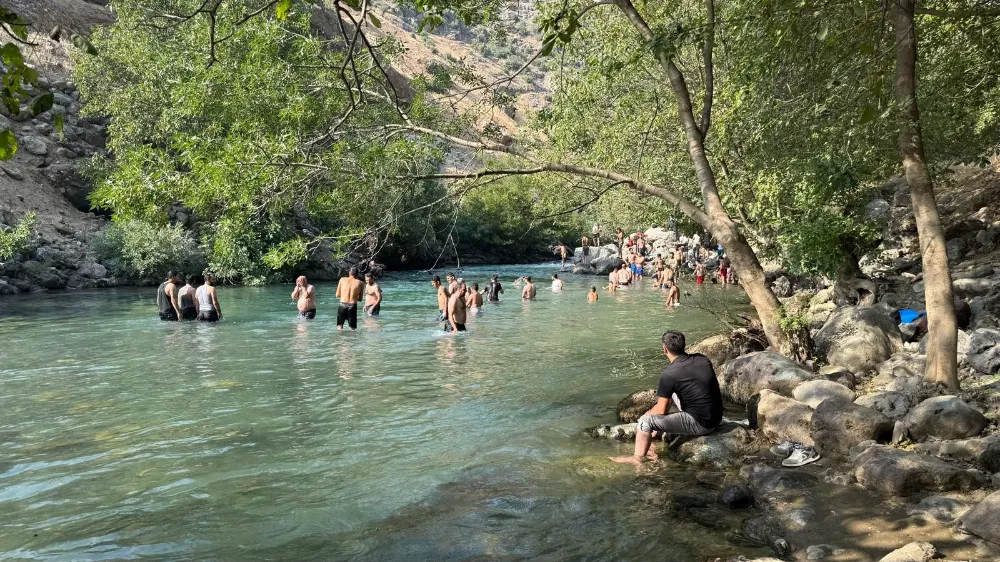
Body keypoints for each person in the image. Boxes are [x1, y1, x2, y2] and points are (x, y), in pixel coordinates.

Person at [612, 331, 723, 465]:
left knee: (644, 421)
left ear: (664, 349)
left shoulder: (670, 374)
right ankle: (655, 431)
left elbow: (661, 409)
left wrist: (647, 416)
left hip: (702, 424)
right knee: (673, 391)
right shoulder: (702, 359)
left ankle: (637, 459)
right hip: (716, 417)